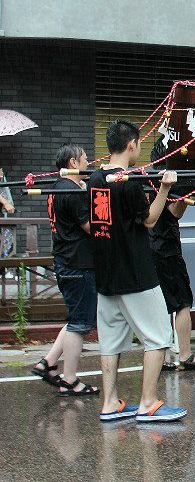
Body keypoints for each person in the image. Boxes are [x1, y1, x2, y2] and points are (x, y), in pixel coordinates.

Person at [89, 120, 186, 422]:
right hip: (136, 274)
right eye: (139, 144)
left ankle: (109, 403)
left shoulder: (94, 178)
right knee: (159, 336)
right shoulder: (128, 183)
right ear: (131, 144)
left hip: (106, 275)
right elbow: (150, 220)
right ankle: (148, 402)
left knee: (111, 341)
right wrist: (165, 187)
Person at [30, 143, 99, 395]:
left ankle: (47, 362)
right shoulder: (71, 190)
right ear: (72, 163)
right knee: (79, 323)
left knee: (74, 319)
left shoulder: (57, 188)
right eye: (84, 159)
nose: (87, 163)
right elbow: (91, 227)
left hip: (65, 260)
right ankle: (70, 380)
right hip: (78, 263)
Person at [148, 143, 195, 372]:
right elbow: (174, 213)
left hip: (148, 245)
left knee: (159, 305)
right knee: (182, 302)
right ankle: (185, 355)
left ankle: (162, 358)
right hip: (166, 248)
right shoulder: (169, 179)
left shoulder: (147, 176)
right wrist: (190, 193)